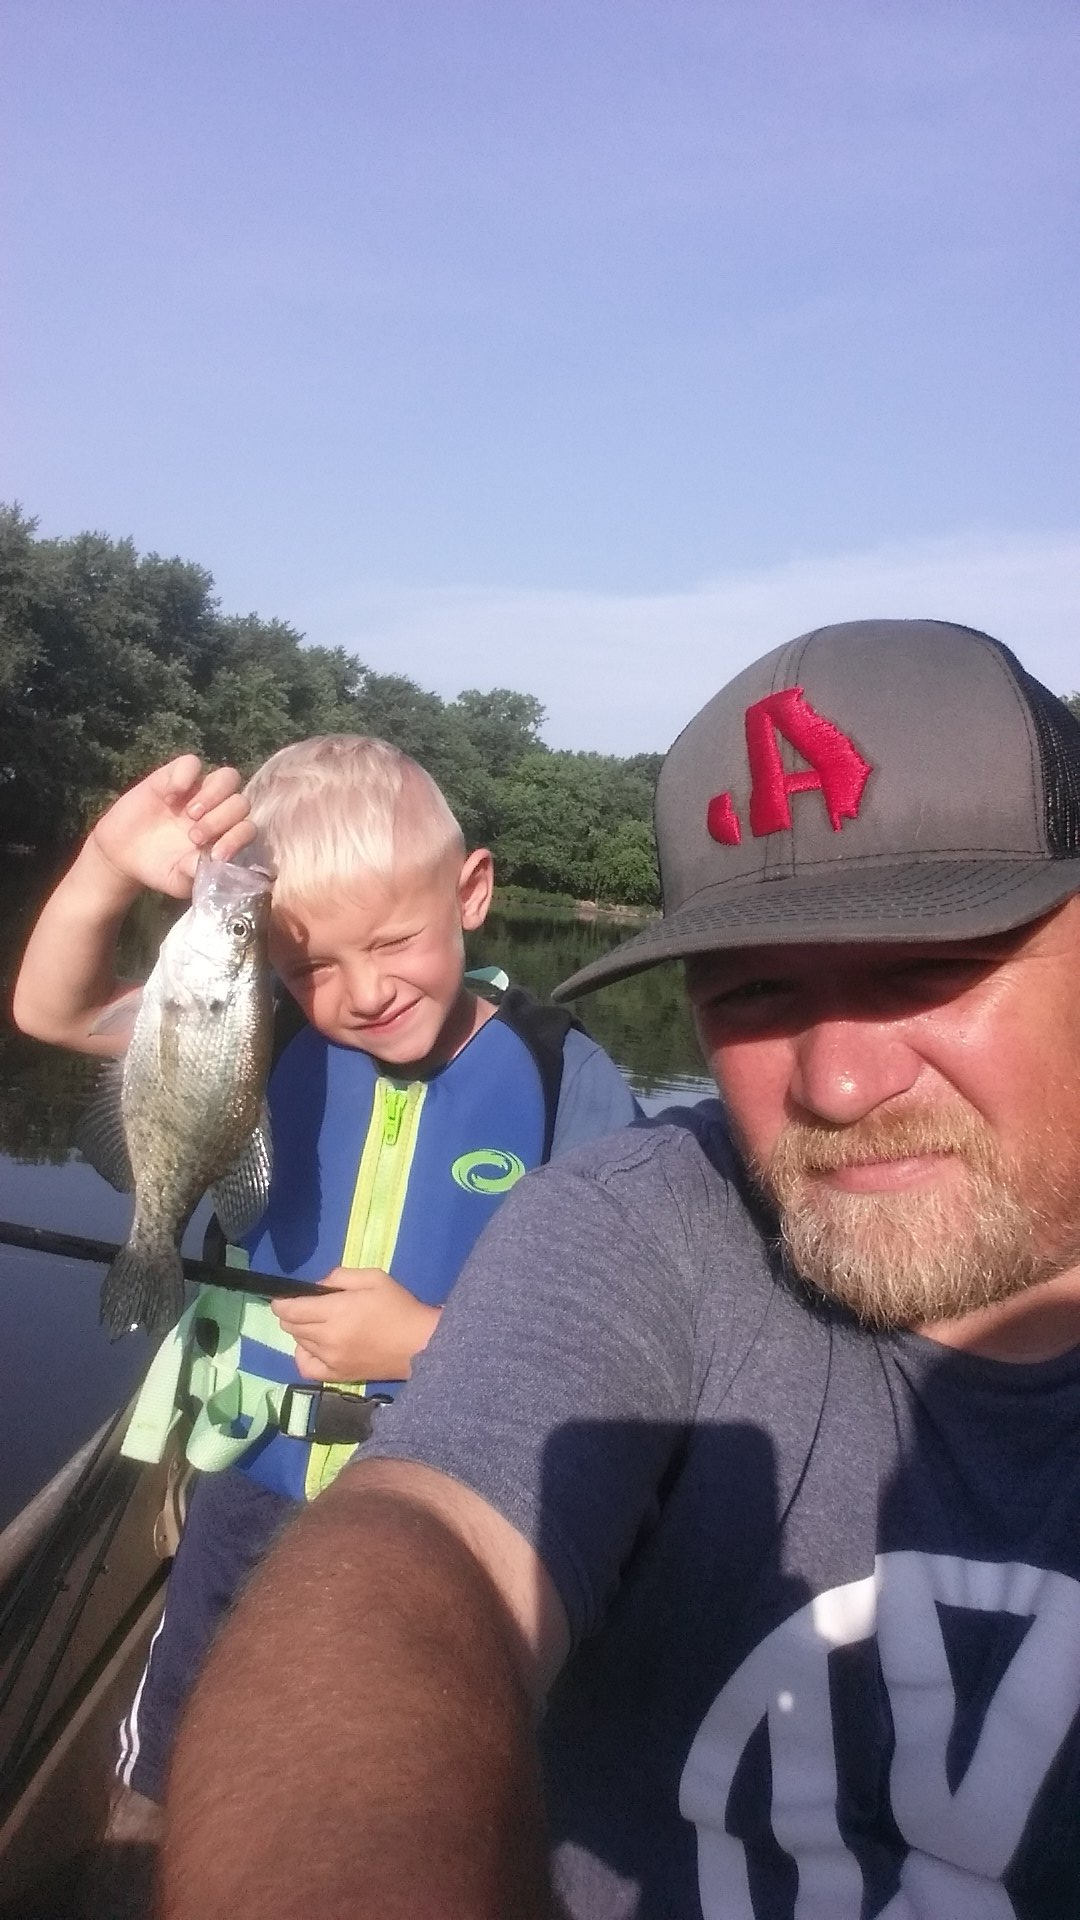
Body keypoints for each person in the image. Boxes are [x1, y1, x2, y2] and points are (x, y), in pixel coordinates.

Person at [153, 619, 1080, 1920]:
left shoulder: (561, 1086)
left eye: (928, 970)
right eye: (750, 993)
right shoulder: (641, 1220)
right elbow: (425, 1555)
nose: (838, 1080)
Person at [11, 733, 638, 1842]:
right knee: (176, 1752)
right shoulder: (253, 1036)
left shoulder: (563, 1074)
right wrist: (107, 861)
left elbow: (627, 1316)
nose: (362, 991)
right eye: (309, 966)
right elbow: (51, 1014)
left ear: (473, 892)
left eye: (395, 939)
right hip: (255, 1473)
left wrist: (428, 1342)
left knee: (418, 1765)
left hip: (453, 1492)